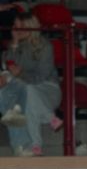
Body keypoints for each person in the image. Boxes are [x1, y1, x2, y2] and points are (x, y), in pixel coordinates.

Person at [0, 12, 62, 157]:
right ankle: (48, 120)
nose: (16, 30)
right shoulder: (13, 46)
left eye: (20, 26)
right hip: (25, 90)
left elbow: (41, 77)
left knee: (26, 91)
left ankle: (28, 145)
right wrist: (14, 44)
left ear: (30, 27)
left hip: (47, 89)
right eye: (15, 26)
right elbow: (7, 66)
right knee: (6, 96)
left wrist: (18, 75)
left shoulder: (45, 46)